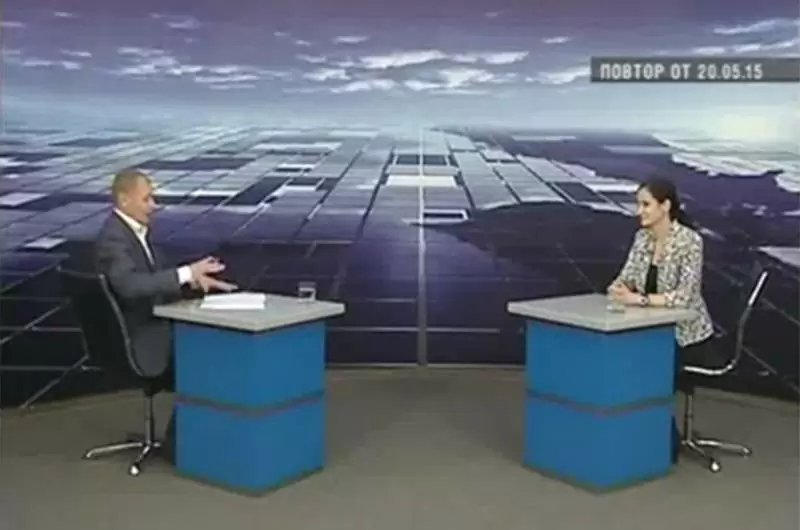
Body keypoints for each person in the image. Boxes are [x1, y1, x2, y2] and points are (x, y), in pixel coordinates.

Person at [94, 168, 237, 462]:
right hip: (140, 340)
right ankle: (179, 445)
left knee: (208, 346)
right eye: (146, 199)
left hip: (148, 328)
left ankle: (192, 438)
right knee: (209, 355)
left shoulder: (133, 234)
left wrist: (193, 282)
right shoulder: (113, 240)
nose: (154, 205)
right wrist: (186, 273)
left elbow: (154, 279)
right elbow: (130, 286)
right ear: (124, 199)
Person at [607, 177, 718, 463]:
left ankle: (662, 446)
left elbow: (686, 297)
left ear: (665, 206)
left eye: (645, 204)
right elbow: (625, 278)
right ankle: (642, 439)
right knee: (621, 365)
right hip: (650, 331)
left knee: (646, 375)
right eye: (638, 204)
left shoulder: (690, 242)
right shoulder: (642, 238)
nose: (639, 211)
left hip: (687, 337)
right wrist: (619, 289)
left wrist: (639, 300)